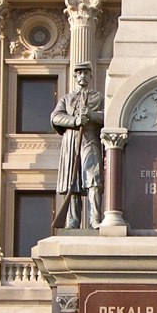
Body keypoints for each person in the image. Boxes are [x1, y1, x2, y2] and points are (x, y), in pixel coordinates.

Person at [51, 61, 104, 229]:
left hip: (90, 140)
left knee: (93, 179)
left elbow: (107, 118)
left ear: (90, 76)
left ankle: (94, 219)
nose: (83, 76)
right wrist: (75, 120)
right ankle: (73, 221)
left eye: (86, 73)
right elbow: (55, 117)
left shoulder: (98, 97)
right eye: (79, 73)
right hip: (71, 142)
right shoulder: (67, 99)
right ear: (75, 77)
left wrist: (91, 115)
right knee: (72, 182)